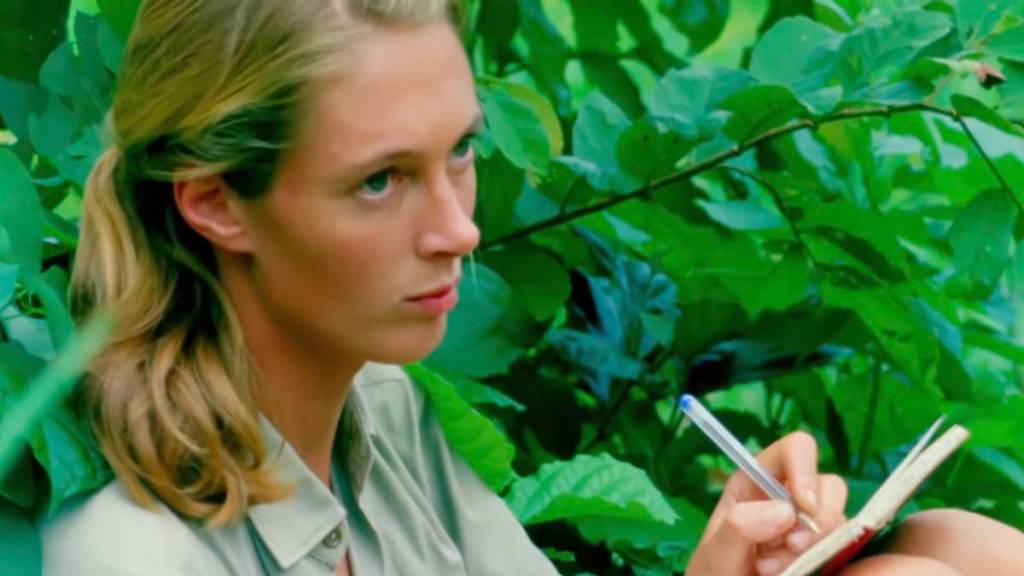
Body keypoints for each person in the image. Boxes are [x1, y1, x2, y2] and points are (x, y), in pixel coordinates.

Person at [36, 0, 1024, 574]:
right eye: (379, 180)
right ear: (216, 204)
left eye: (459, 153)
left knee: (959, 542)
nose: (458, 229)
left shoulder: (386, 416)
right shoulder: (134, 557)